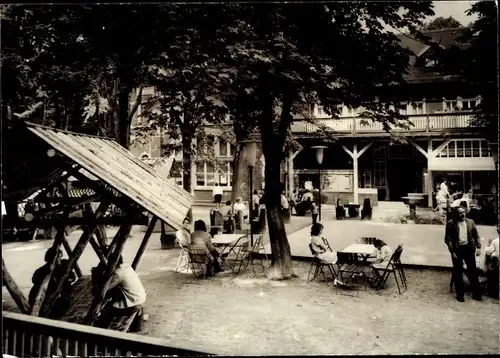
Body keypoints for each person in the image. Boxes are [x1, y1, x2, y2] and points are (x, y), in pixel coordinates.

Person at [95, 256, 146, 329]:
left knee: (105, 312)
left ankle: (100, 332)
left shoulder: (117, 274)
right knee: (111, 301)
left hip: (134, 305)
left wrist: (98, 279)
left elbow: (102, 290)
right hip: (140, 298)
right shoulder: (126, 266)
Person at [444, 206, 482, 302]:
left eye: (464, 212)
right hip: (457, 250)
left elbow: (476, 235)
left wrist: (479, 247)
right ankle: (460, 295)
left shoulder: (470, 222)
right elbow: (448, 239)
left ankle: (477, 294)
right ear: (456, 214)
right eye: (460, 213)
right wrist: (452, 252)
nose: (463, 214)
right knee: (458, 272)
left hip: (469, 249)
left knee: (472, 271)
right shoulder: (451, 223)